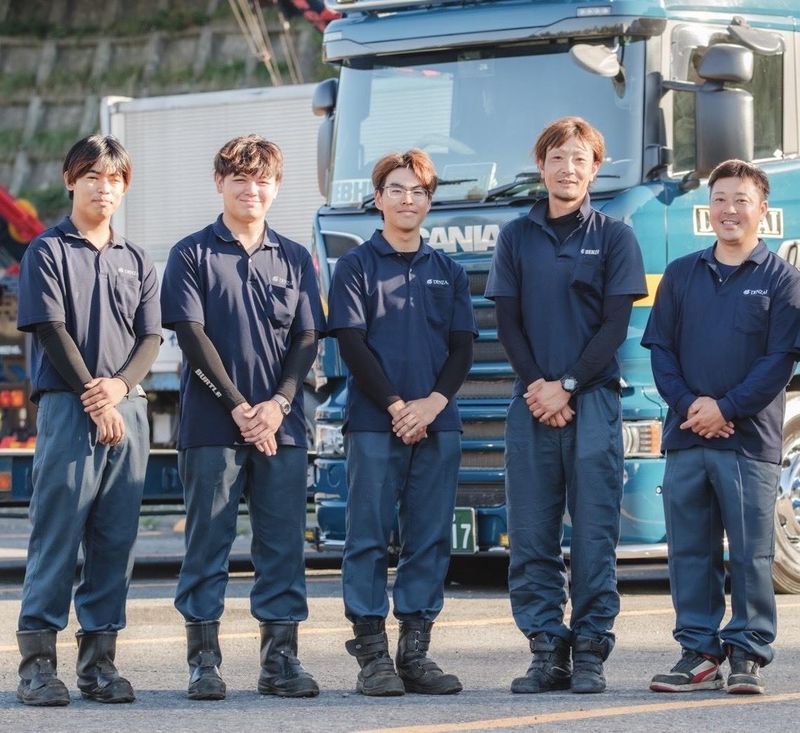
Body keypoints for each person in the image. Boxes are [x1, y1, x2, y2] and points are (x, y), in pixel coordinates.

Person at [485, 117, 647, 694]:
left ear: (595, 168)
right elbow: (507, 322)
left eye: (580, 159)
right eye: (557, 157)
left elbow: (615, 326)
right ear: (542, 165)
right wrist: (539, 387)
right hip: (532, 405)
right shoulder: (515, 237)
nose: (568, 168)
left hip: (594, 403)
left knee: (594, 534)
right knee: (531, 534)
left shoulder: (616, 237)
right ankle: (546, 650)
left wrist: (569, 385)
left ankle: (590, 651)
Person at [161, 135, 324, 701]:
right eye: (240, 178)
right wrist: (238, 405)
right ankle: (203, 663)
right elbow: (191, 336)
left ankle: (280, 662)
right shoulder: (191, 253)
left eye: (263, 180)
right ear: (220, 183)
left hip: (283, 427)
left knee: (282, 546)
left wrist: (278, 404)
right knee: (208, 543)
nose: (252, 189)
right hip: (212, 427)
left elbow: (307, 338)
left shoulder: (295, 258)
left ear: (276, 187)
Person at [643, 159, 800, 695]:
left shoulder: (782, 280)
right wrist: (692, 406)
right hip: (686, 436)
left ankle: (747, 653)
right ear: (707, 208)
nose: (729, 210)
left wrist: (725, 409)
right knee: (690, 551)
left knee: (752, 553)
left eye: (741, 200)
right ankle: (699, 652)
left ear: (762, 210)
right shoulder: (681, 274)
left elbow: (778, 363)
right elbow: (661, 351)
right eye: (720, 200)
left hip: (748, 442)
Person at [15, 135, 161, 706]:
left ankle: (99, 666)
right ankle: (37, 668)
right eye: (93, 176)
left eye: (115, 178)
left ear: (126, 187)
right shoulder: (47, 250)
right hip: (68, 409)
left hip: (128, 408)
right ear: (70, 180)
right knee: (57, 534)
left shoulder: (137, 259)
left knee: (115, 541)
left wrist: (119, 389)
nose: (105, 187)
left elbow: (150, 338)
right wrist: (96, 400)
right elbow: (51, 330)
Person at [327, 149, 476, 696]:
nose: (407, 199)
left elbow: (463, 348)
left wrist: (432, 405)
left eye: (418, 191)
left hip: (438, 423)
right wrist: (396, 406)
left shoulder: (449, 271)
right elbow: (351, 343)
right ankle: (372, 657)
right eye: (396, 189)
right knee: (367, 536)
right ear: (378, 198)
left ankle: (415, 654)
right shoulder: (355, 266)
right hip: (374, 422)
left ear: (429, 201)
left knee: (429, 537)